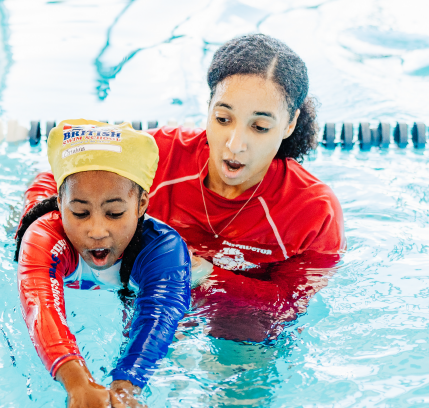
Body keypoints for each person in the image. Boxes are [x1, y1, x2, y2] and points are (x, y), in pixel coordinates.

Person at [146, 34, 345, 339]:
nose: (235, 145)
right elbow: (60, 178)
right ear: (208, 106)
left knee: (245, 349)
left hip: (243, 319)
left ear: (289, 124)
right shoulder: (159, 157)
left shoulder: (313, 211)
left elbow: (291, 302)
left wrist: (205, 275)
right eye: (223, 119)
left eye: (260, 127)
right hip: (156, 300)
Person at [14, 119, 191, 408]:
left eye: (114, 213)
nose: (96, 230)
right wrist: (77, 382)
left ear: (141, 206)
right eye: (80, 214)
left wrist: (127, 385)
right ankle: (43, 184)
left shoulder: (164, 248)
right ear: (62, 205)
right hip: (46, 194)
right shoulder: (45, 237)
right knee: (24, 209)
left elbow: (160, 317)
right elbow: (41, 308)